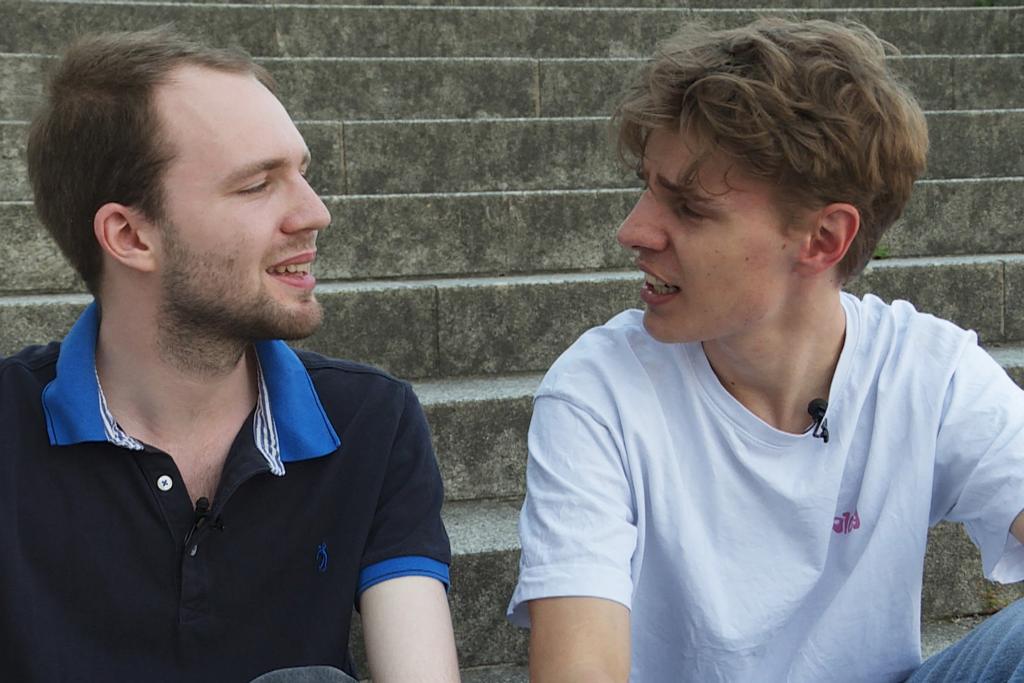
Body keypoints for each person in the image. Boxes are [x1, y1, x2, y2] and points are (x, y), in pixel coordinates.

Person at [507, 17, 1024, 683]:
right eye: (647, 186)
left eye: (689, 207)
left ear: (823, 239)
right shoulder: (599, 389)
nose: (633, 230)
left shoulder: (928, 372)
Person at [1, 29, 459, 683]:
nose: (315, 213)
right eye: (256, 185)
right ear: (130, 235)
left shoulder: (370, 421)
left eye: (303, 173)